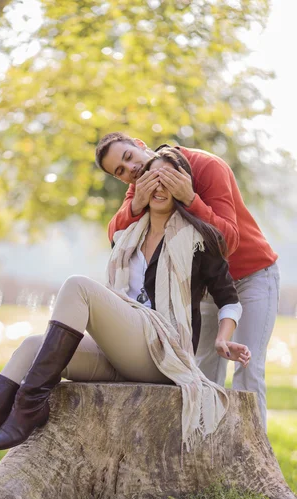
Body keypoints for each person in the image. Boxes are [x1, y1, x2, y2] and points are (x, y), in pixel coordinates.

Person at [0, 148, 250, 487]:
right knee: (30, 346)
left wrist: (223, 338)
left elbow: (229, 299)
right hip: (125, 350)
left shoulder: (201, 239)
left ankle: (29, 405)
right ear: (139, 186)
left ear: (182, 185)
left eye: (168, 178)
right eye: (151, 177)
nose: (158, 185)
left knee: (78, 286)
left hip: (163, 353)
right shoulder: (126, 239)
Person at [95, 132, 279, 430]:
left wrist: (190, 199)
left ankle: (254, 455)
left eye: (128, 157)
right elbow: (115, 237)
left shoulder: (208, 166)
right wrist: (134, 204)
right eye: (120, 171)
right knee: (203, 370)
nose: (130, 170)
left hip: (251, 276)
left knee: (247, 367)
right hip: (205, 287)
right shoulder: (141, 183)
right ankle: (206, 450)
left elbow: (227, 242)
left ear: (141, 145)